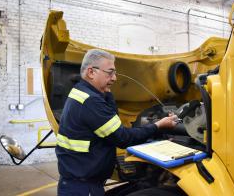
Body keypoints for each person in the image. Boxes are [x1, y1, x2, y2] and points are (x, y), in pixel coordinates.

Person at [56, 49, 179, 196]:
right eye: (110, 72)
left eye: (115, 73)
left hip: (78, 182)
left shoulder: (81, 92)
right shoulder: (91, 101)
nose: (114, 78)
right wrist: (158, 126)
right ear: (91, 72)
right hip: (83, 188)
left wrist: (107, 94)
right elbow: (123, 138)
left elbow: (112, 122)